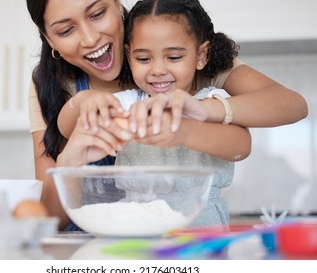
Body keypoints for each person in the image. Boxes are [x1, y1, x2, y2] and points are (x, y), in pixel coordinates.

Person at [25, 0, 308, 230]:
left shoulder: (179, 43)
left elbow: (283, 111)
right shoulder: (69, 88)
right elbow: (63, 134)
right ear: (49, 40)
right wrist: (81, 104)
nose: (89, 38)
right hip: (115, 239)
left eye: (97, 13)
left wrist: (197, 116)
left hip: (195, 229)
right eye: (65, 30)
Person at [58, 0, 252, 230]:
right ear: (129, 55)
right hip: (135, 225)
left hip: (200, 227)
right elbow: (65, 127)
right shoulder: (128, 103)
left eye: (173, 57)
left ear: (201, 55)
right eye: (143, 59)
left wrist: (183, 132)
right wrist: (84, 102)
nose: (158, 70)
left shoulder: (208, 101)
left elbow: (241, 145)